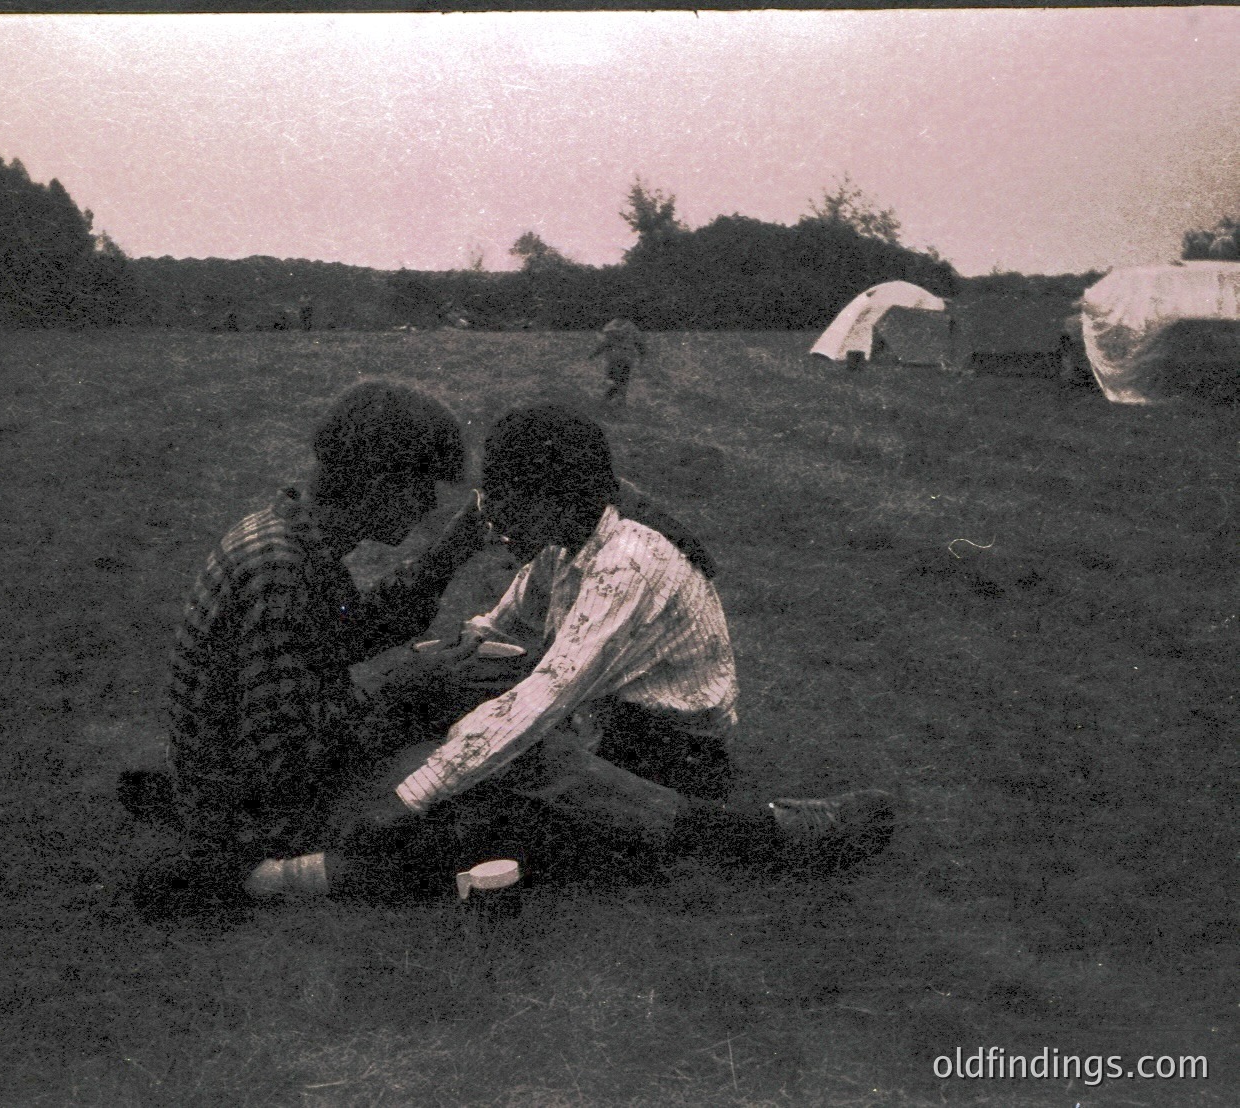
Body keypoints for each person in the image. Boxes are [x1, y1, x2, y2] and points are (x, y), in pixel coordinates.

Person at [245, 405, 895, 901]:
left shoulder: (627, 564)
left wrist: (409, 794)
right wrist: (458, 656)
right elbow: (500, 627)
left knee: (505, 810)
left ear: (548, 499)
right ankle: (311, 823)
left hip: (665, 754)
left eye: (500, 503)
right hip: (603, 732)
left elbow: (541, 697)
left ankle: (764, 839)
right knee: (473, 745)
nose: (488, 520)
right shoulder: (562, 550)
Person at [135, 382, 491, 917]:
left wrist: (448, 554)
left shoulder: (291, 538)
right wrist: (407, 690)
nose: (427, 509)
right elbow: (283, 763)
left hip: (233, 780)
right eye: (424, 490)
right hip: (258, 810)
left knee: (454, 749)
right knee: (469, 793)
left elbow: (348, 633)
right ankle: (257, 874)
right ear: (381, 483)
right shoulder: (278, 569)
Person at [589, 318, 648, 406]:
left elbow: (604, 344)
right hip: (627, 358)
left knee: (612, 381)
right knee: (623, 382)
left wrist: (593, 355)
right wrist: (642, 357)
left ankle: (605, 402)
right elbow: (640, 344)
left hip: (614, 358)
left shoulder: (610, 327)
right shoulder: (632, 327)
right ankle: (620, 403)